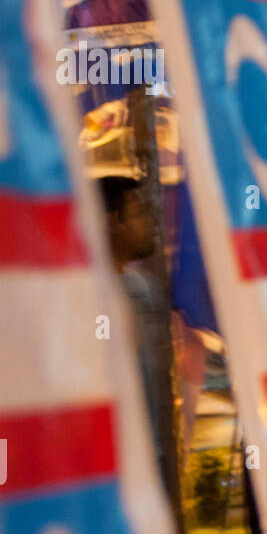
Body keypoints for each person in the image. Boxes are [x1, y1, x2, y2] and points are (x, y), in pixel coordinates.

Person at [99, 177, 167, 476]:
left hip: (152, 452)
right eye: (139, 212)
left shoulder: (143, 287)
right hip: (117, 464)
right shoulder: (89, 297)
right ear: (115, 220)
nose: (151, 221)